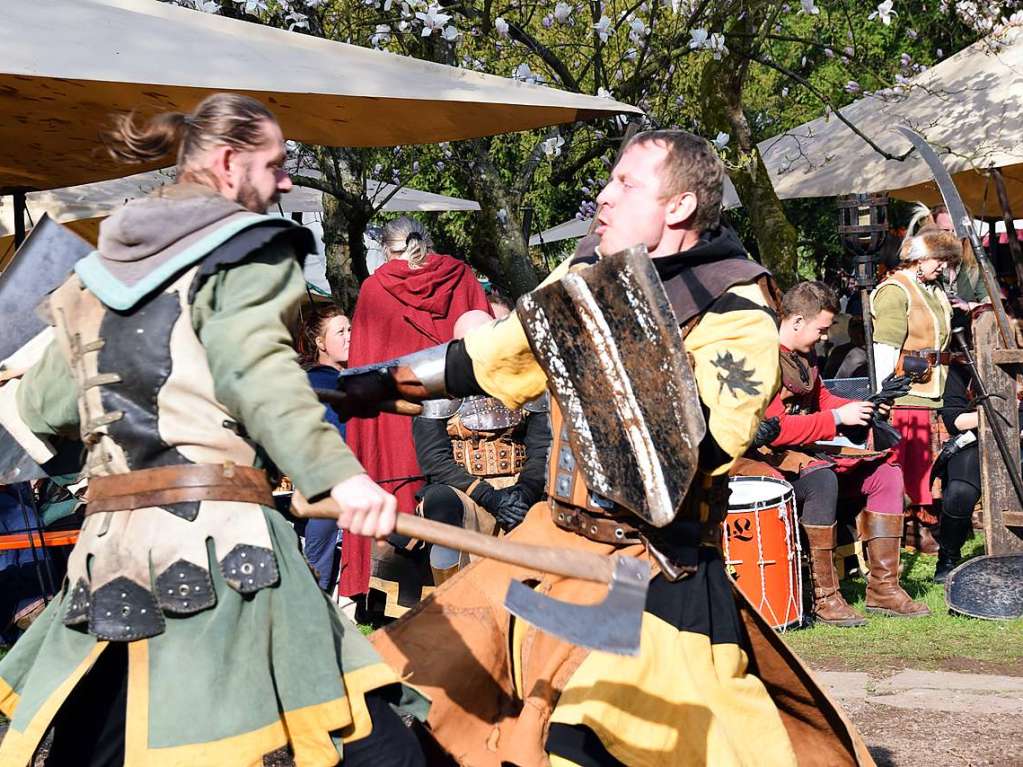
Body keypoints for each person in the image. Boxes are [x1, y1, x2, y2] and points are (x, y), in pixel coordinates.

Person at [341, 130, 873, 765]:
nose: (604, 195)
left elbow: (696, 450)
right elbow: (501, 351)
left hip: (644, 573)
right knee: (413, 689)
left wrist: (611, 337)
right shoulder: (586, 274)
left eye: (627, 184)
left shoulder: (734, 306)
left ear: (677, 207)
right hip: (552, 546)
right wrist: (376, 384)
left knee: (607, 735)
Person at [0, 94, 426, 767]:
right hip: (224, 550)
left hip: (106, 557)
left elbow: (47, 407)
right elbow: (250, 370)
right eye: (277, 163)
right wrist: (338, 475)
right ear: (228, 165)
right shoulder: (249, 250)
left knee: (101, 745)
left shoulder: (91, 278)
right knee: (377, 749)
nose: (286, 181)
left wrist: (343, 390)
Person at [736, 281, 928, 624]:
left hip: (804, 453)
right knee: (821, 480)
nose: (825, 336)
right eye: (821, 329)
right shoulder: (760, 358)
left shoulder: (804, 356)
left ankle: (883, 589)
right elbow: (775, 429)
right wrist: (838, 419)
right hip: (763, 460)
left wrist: (863, 406)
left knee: (886, 474)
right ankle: (825, 598)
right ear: (796, 322)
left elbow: (823, 401)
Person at [343, 217, 490, 601]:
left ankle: (393, 592)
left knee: (406, 487)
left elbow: (365, 373)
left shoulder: (375, 289)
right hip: (460, 417)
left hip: (397, 419)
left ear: (385, 249)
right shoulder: (461, 276)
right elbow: (488, 350)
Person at [870, 225, 961, 553]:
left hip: (932, 389)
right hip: (905, 393)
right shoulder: (895, 290)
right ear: (918, 257)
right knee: (907, 465)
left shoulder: (932, 290)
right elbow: (884, 349)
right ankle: (908, 528)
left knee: (927, 464)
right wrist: (882, 395)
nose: (942, 266)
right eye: (938, 259)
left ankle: (925, 521)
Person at [295, 302, 352, 593]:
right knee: (316, 577)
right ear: (320, 343)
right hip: (324, 487)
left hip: (359, 484)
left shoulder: (359, 377)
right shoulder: (312, 383)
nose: (349, 336)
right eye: (340, 331)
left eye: (350, 329)